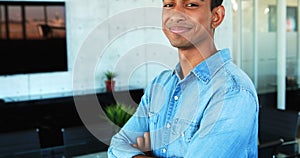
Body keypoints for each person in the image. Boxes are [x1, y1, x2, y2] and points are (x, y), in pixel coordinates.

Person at [108, 0, 259, 157]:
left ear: (216, 16)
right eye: (169, 5)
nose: (176, 15)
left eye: (191, 4)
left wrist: (145, 154)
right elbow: (118, 146)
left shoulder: (232, 91)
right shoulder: (160, 84)